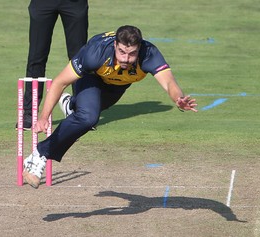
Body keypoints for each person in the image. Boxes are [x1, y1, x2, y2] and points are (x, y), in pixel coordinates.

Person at [23, 25, 198, 188]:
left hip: (118, 85)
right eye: (122, 52)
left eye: (132, 54)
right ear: (115, 45)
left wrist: (178, 98)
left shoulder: (149, 53)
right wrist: (44, 117)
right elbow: (59, 83)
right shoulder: (94, 53)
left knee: (86, 113)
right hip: (91, 77)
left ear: (139, 49)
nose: (126, 59)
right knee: (88, 118)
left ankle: (71, 106)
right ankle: (39, 155)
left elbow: (168, 82)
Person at [19, 0, 89, 130]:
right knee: (36, 56)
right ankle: (29, 113)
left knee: (79, 58)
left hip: (74, 3)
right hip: (43, 3)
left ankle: (82, 112)